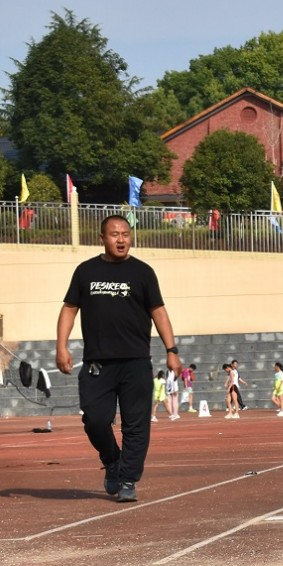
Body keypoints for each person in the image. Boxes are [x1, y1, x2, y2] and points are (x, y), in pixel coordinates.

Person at [55, 214, 182, 502]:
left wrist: (171, 350)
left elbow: (158, 312)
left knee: (136, 425)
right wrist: (61, 346)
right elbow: (69, 309)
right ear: (102, 238)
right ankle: (112, 459)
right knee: (96, 420)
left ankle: (127, 479)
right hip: (97, 363)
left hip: (136, 362)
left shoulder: (143, 273)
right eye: (115, 234)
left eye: (125, 233)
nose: (121, 239)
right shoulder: (85, 271)